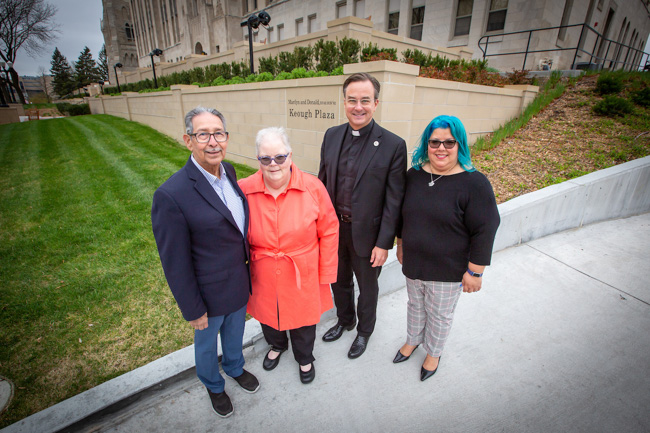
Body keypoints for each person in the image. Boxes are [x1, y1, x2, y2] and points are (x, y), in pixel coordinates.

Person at [151, 106, 259, 418]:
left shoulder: (230, 173)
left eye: (219, 134)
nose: (213, 142)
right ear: (188, 141)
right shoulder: (171, 195)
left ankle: (236, 367)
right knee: (208, 345)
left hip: (238, 281)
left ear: (227, 138)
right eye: (203, 135)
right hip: (207, 294)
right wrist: (192, 307)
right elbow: (174, 261)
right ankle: (213, 384)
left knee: (235, 334)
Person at [394, 115, 500, 381]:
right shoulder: (415, 175)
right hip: (414, 262)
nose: (441, 148)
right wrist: (401, 243)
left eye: (449, 142)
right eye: (435, 142)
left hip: (448, 269)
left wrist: (475, 272)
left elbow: (486, 227)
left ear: (460, 145)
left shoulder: (474, 183)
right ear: (426, 144)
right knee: (415, 306)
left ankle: (434, 352)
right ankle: (413, 340)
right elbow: (403, 214)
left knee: (439, 314)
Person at [238, 127, 339, 384]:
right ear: (258, 159)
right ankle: (277, 345)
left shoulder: (313, 187)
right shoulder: (244, 189)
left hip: (302, 268)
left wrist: (326, 272)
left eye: (280, 157)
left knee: (304, 319)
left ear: (290, 156)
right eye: (265, 158)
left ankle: (304, 357)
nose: (273, 164)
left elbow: (329, 230)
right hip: (262, 269)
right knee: (268, 314)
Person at [318, 72, 407, 359]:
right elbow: (321, 184)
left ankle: (364, 331)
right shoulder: (331, 135)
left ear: (376, 103)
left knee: (367, 288)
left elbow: (394, 200)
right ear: (344, 102)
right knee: (338, 280)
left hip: (369, 235)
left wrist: (385, 243)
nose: (359, 106)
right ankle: (345, 321)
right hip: (334, 231)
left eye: (365, 100)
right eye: (352, 100)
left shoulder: (393, 145)